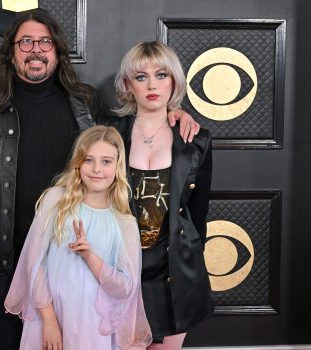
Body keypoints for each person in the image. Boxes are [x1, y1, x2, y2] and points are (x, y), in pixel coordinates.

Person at [0, 9, 199, 349]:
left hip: (78, 259)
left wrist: (172, 112)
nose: (36, 49)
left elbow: (124, 138)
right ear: (12, 53)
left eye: (45, 42)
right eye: (26, 41)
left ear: (58, 51)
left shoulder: (85, 102)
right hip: (10, 257)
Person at [4, 125, 152, 350]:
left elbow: (125, 289)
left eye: (106, 161)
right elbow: (34, 264)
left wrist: (89, 256)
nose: (96, 169)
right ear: (78, 163)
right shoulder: (56, 201)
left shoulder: (124, 223)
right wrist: (50, 321)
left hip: (92, 329)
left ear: (117, 166)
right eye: (88, 160)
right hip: (49, 320)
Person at [111, 41, 214, 349]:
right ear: (129, 85)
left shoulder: (197, 140)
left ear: (174, 82)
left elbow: (199, 212)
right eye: (141, 77)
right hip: (123, 266)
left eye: (161, 75)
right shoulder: (109, 132)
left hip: (175, 269)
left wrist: (192, 260)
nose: (152, 85)